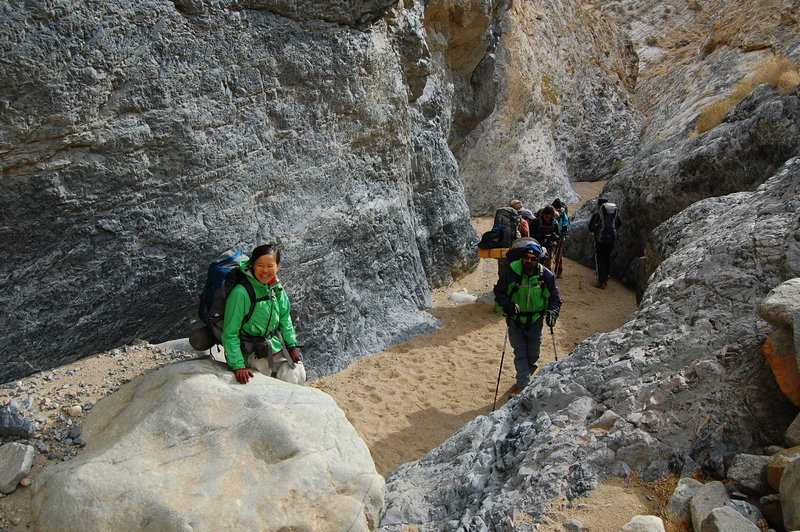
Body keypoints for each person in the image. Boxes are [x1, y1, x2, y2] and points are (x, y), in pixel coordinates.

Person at [221, 244, 302, 384]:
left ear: (278, 266)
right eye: (260, 265)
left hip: (272, 344)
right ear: (252, 265)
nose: (265, 271)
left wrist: (291, 346)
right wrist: (238, 366)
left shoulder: (276, 287)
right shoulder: (240, 293)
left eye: (270, 266)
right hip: (249, 350)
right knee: (263, 376)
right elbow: (230, 333)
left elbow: (284, 318)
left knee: (296, 372)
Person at [493, 242, 562, 394]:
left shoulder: (546, 276)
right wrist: (507, 305)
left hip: (536, 320)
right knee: (520, 353)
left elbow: (555, 300)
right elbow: (499, 292)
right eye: (526, 257)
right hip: (515, 320)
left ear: (539, 260)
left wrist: (553, 313)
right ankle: (524, 387)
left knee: (533, 354)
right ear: (522, 257)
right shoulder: (512, 272)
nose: (529, 261)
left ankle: (523, 377)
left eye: (533, 258)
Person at [588, 198, 622, 289]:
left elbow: (590, 228)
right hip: (611, 240)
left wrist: (597, 230)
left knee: (599, 259)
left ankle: (601, 280)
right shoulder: (614, 214)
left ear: (599, 205)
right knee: (607, 258)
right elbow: (619, 223)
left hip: (599, 240)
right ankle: (606, 277)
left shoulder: (597, 215)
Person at [528, 205, 560, 269]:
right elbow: (531, 235)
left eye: (549, 217)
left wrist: (554, 237)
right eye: (546, 217)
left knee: (547, 267)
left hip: (549, 248)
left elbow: (558, 236)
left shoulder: (554, 223)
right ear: (543, 214)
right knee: (535, 267)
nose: (547, 219)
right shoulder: (536, 222)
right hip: (537, 247)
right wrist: (543, 236)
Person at [551, 198, 571, 278]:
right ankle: (555, 270)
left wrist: (563, 230)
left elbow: (567, 225)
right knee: (555, 254)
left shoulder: (562, 215)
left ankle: (558, 271)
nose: (556, 210)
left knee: (558, 255)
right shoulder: (557, 213)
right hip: (554, 236)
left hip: (559, 237)